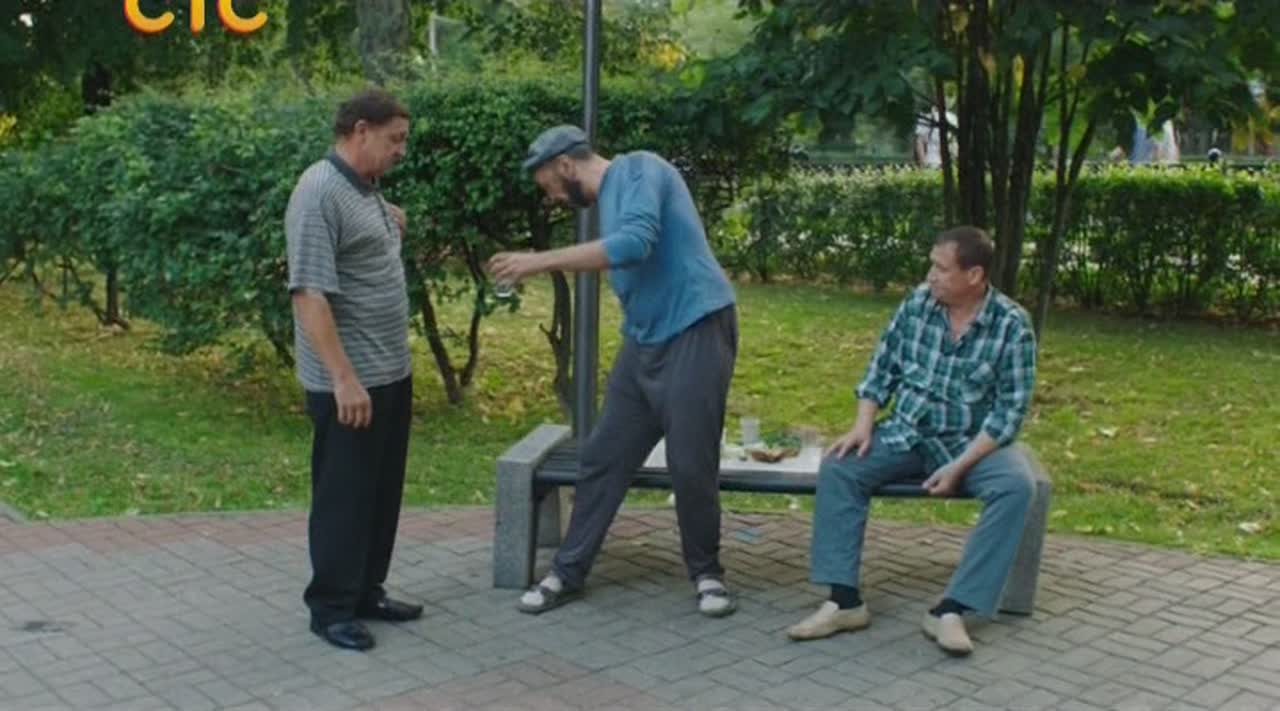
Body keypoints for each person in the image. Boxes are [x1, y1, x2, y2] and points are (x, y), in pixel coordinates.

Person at [488, 126, 740, 618]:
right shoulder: (611, 198)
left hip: (696, 328)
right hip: (645, 340)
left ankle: (707, 574)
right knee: (603, 454)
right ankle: (567, 571)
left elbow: (633, 245)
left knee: (690, 459)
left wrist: (538, 262)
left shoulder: (641, 169)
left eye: (549, 185)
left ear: (566, 164)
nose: (553, 198)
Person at [786, 226, 1038, 656]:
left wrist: (959, 467)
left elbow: (1009, 413)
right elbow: (880, 370)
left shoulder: (1012, 326)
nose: (930, 275)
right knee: (841, 466)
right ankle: (844, 601)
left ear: (974, 275)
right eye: (931, 266)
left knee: (1017, 486)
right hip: (905, 432)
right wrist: (863, 425)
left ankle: (953, 609)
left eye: (941, 268)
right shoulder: (918, 304)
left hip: (969, 443)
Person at [285, 89, 422, 651]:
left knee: (381, 492)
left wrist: (389, 221)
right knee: (345, 496)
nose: (401, 151)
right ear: (361, 131)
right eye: (395, 140)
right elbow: (309, 294)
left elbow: (359, 244)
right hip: (350, 381)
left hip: (389, 371)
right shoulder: (317, 191)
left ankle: (367, 590)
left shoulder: (365, 187)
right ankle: (331, 609)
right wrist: (343, 378)